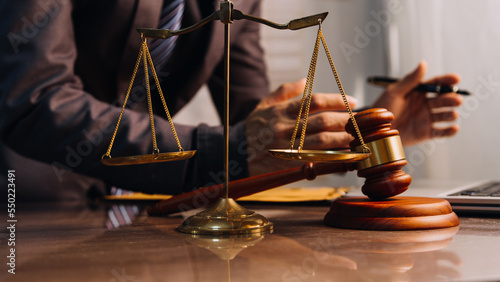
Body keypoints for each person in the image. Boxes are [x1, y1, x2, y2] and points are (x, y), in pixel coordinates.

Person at [0, 0, 462, 201]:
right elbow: (33, 97)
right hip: (24, 213)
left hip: (129, 212)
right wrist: (218, 153)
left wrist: (364, 134)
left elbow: (254, 128)